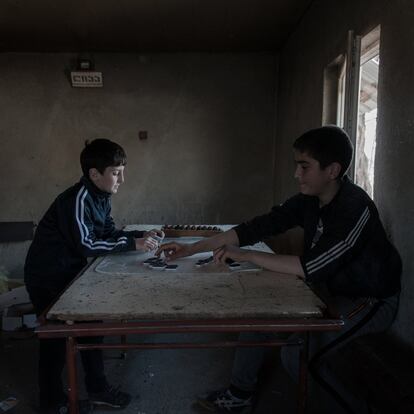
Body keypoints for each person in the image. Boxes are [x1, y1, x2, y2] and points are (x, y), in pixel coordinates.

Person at [157, 126, 401, 414]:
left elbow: (309, 267)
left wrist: (246, 255)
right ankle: (239, 395)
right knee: (257, 316)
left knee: (297, 355)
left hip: (367, 301)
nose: (297, 174)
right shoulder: (310, 200)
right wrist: (191, 249)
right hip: (326, 288)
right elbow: (255, 228)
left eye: (304, 167)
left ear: (332, 170)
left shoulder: (354, 208)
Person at [24, 139, 163, 414]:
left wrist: (138, 236)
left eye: (123, 170)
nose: (122, 179)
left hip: (71, 271)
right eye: (115, 172)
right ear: (94, 174)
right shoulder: (78, 199)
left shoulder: (101, 196)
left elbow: (108, 233)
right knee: (55, 339)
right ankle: (50, 402)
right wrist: (131, 245)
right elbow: (87, 245)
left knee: (91, 330)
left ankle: (97, 389)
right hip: (48, 276)